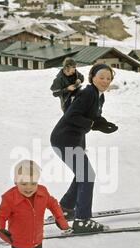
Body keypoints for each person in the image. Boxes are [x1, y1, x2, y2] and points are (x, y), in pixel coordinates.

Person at [50, 63, 118, 234]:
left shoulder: (98, 95)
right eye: (101, 77)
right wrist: (94, 124)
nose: (105, 81)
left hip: (74, 138)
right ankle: (82, 220)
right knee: (87, 175)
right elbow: (72, 115)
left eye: (108, 78)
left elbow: (92, 116)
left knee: (82, 174)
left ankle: (65, 208)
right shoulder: (87, 93)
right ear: (92, 77)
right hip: (65, 139)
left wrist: (102, 123)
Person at [0, 160, 69, 248]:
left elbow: (53, 204)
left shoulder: (42, 193)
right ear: (16, 182)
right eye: (23, 183)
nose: (29, 187)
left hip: (37, 238)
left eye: (33, 183)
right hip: (18, 240)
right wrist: (0, 230)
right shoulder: (10, 198)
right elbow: (0, 216)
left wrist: (60, 219)